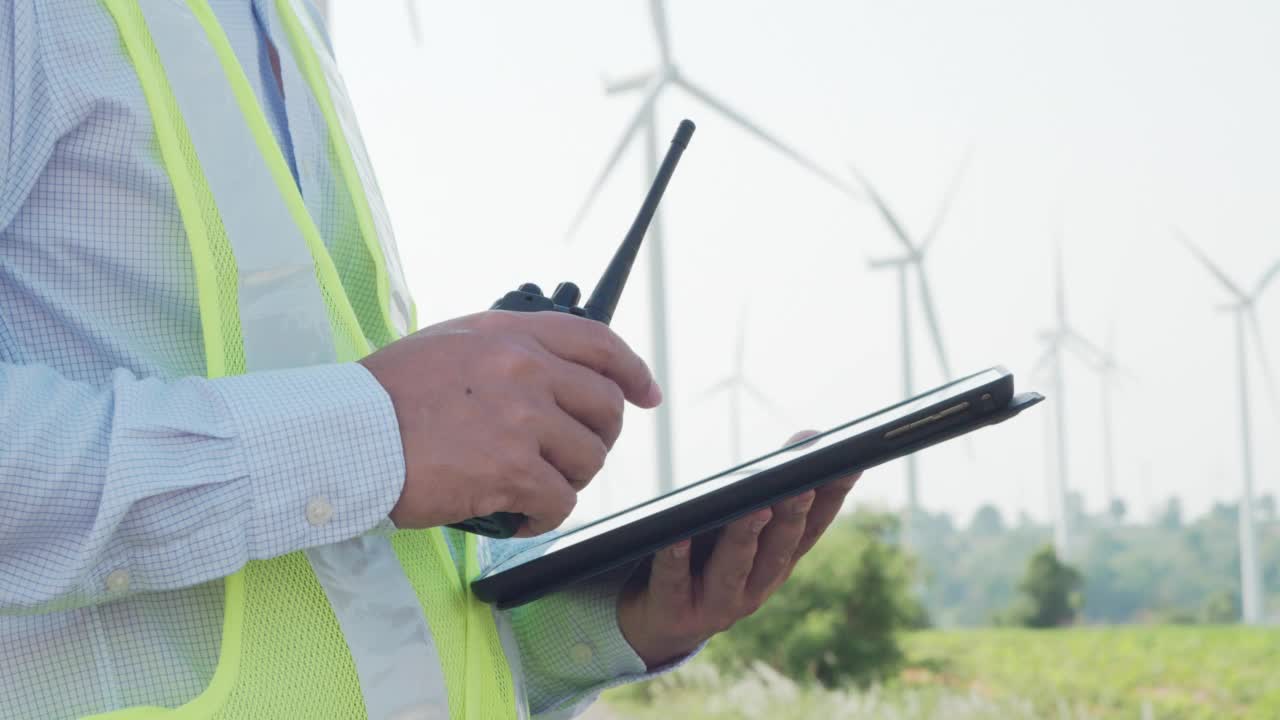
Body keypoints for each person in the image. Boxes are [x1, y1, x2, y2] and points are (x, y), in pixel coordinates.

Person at [0, 2, 860, 718]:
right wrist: (375, 433)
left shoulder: (289, 26)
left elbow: (335, 566)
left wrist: (604, 619)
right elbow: (355, 450)